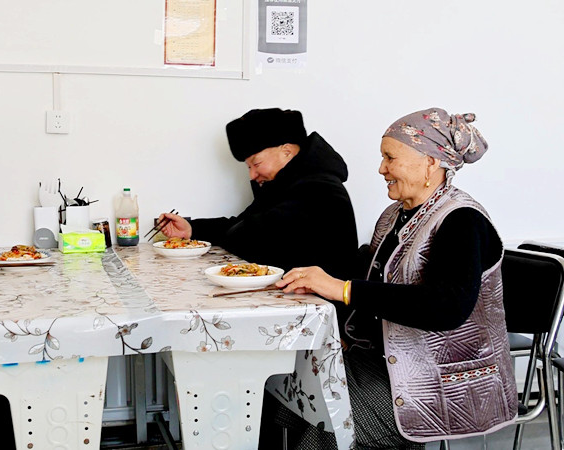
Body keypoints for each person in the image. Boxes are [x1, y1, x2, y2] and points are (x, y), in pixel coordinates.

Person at [276, 108, 517, 449]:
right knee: (284, 388)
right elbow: (370, 281)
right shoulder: (394, 216)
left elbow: (447, 307)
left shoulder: (462, 220)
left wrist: (343, 289)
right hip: (387, 361)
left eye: (390, 157)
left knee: (328, 420)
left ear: (430, 162)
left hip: (440, 382)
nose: (381, 168)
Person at [157, 108, 358, 279]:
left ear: (287, 151)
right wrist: (191, 229)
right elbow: (243, 224)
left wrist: (230, 233)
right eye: (248, 167)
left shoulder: (319, 188)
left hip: (318, 304)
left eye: (256, 163)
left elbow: (250, 237)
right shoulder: (286, 183)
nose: (252, 175)